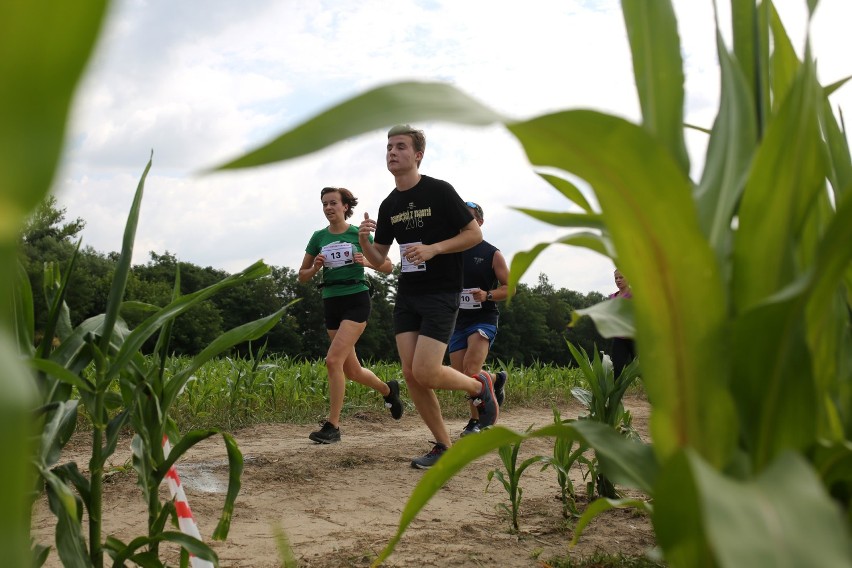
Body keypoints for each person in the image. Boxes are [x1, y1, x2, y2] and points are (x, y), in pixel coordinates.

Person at [358, 124, 499, 469]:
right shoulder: (390, 203)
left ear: (418, 155)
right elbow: (382, 260)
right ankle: (443, 445)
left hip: (441, 292)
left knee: (426, 371)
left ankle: (480, 387)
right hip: (408, 294)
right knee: (410, 374)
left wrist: (435, 248)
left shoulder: (439, 191)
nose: (392, 152)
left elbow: (473, 233)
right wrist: (364, 242)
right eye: (389, 146)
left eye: (401, 146)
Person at [299, 186, 403, 444]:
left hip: (356, 300)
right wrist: (315, 267)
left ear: (345, 206)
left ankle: (333, 426)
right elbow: (302, 276)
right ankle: (388, 390)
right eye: (324, 204)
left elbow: (388, 267)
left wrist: (366, 262)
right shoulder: (318, 237)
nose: (328, 208)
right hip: (330, 301)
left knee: (333, 361)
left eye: (333, 203)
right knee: (352, 370)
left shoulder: (359, 234)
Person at [449, 201, 511, 437]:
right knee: (461, 375)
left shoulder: (491, 253)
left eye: (470, 218)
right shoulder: (450, 251)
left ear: (480, 223)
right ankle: (495, 380)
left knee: (472, 369)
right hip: (457, 320)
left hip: (483, 319)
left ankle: (475, 421)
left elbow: (509, 288)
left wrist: (488, 295)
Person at [608, 268, 636, 378]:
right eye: (616, 278)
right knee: (617, 369)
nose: (618, 280)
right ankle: (616, 395)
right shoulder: (613, 297)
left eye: (621, 277)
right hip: (619, 338)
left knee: (642, 369)